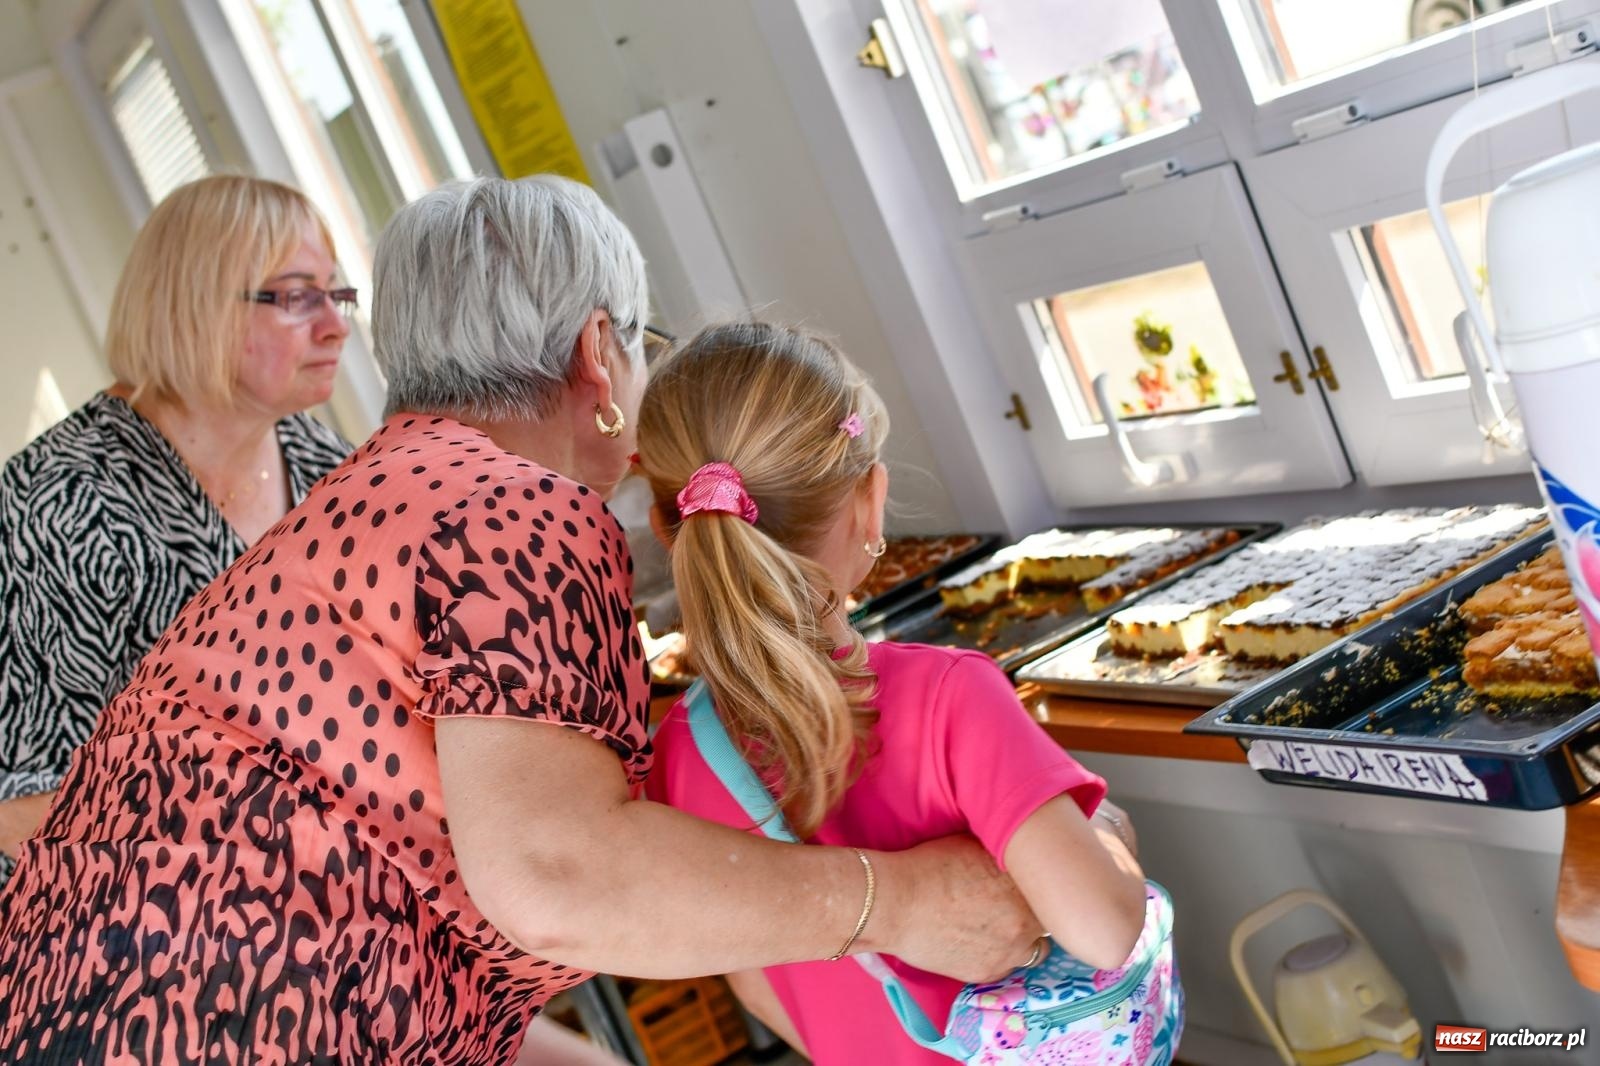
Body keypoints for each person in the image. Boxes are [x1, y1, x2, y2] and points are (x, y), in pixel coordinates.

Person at [0, 176, 1041, 1065]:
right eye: (639, 348)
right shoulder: (509, 506)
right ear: (598, 355)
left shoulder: (370, 489)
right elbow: (556, 872)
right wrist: (896, 901)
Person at [635, 322, 1149, 1064]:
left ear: (666, 527)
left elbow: (754, 988)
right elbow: (1103, 928)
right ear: (869, 504)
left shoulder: (677, 753)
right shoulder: (949, 695)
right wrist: (1111, 838)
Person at [0, 174, 352, 885]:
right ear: (199, 309)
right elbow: (20, 801)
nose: (334, 324)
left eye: (335, 292)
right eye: (295, 297)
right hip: (107, 937)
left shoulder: (324, 466)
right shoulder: (57, 503)